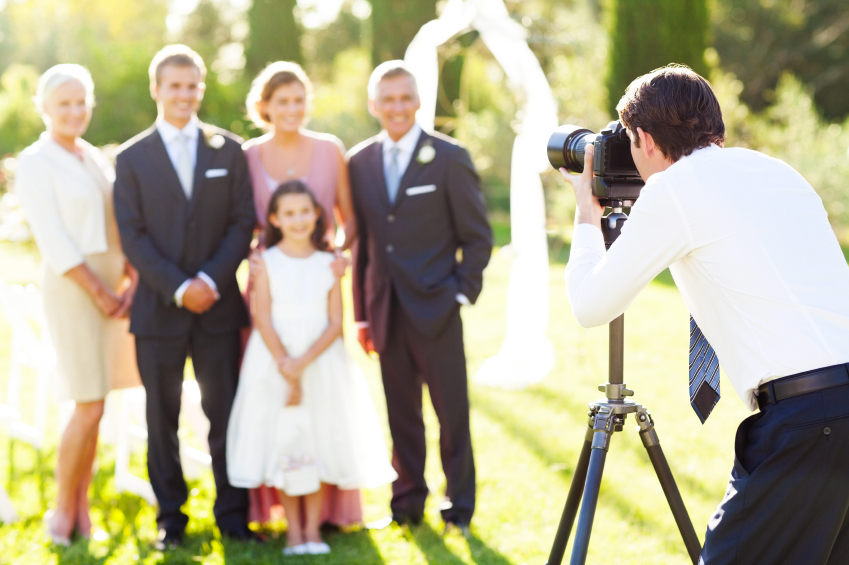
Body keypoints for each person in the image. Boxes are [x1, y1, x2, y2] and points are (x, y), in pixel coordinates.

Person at [561, 65, 849, 564]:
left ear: (645, 139)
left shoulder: (673, 191)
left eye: (629, 140)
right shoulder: (776, 170)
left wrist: (586, 216)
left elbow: (590, 307)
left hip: (809, 419)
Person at [113, 45, 258, 550]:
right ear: (156, 89)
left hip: (218, 308)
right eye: (175, 85)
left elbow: (242, 221)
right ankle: (171, 522)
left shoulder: (229, 150)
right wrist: (178, 287)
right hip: (158, 311)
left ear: (201, 88)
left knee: (226, 413)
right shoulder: (131, 158)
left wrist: (210, 282)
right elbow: (132, 235)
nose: (185, 94)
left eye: (193, 85)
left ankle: (233, 517)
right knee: (161, 419)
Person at [348, 60, 493, 533]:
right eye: (387, 99)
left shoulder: (449, 157)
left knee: (452, 416)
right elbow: (363, 244)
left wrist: (460, 294)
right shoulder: (359, 162)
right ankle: (407, 505)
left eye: (405, 98)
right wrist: (362, 315)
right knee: (401, 415)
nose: (397, 107)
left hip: (439, 310)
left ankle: (459, 508)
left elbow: (477, 237)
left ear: (418, 101)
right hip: (385, 310)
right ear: (374, 105)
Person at [226, 181, 396, 556]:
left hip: (321, 361)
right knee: (286, 442)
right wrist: (286, 366)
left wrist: (302, 364)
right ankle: (293, 531)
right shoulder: (265, 262)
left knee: (316, 439)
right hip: (273, 361)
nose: (298, 220)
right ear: (274, 219)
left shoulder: (329, 263)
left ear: (318, 214)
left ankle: (313, 529)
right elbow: (262, 317)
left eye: (305, 211)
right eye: (288, 213)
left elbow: (335, 322)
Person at [15, 64, 140, 546]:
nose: (73, 111)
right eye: (63, 103)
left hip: (113, 288)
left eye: (80, 101)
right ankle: (61, 513)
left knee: (98, 403)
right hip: (75, 289)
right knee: (86, 404)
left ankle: (83, 511)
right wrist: (99, 291)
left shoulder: (93, 157)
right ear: (44, 107)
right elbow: (54, 240)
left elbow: (118, 221)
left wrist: (129, 277)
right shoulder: (36, 161)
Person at [241, 61, 357, 526]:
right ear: (264, 106)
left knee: (323, 400)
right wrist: (252, 257)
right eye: (282, 101)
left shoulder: (330, 150)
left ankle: (326, 511)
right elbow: (240, 221)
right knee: (272, 399)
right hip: (270, 286)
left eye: (299, 100)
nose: (292, 109)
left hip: (319, 286)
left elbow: (348, 219)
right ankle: (275, 509)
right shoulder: (248, 155)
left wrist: (339, 256)